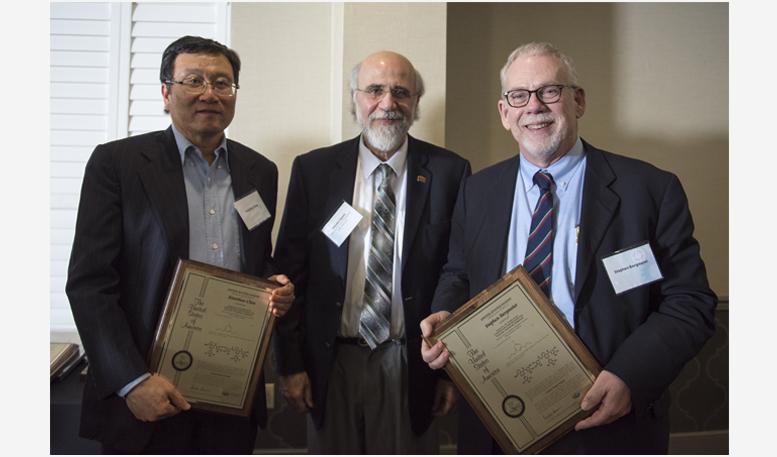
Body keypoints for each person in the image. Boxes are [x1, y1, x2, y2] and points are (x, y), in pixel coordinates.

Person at [420, 42, 716, 454]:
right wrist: (446, 314)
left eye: (550, 91)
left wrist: (630, 376)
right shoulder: (477, 191)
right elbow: (458, 273)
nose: (534, 106)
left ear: (578, 101)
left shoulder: (648, 189)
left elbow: (689, 302)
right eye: (519, 96)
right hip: (498, 420)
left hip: (608, 420)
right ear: (505, 113)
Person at [66, 35, 295, 454]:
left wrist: (275, 285)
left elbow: (257, 262)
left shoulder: (260, 170)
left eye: (222, 83)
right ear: (166, 93)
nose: (210, 93)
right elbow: (89, 283)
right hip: (145, 394)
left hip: (230, 392)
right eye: (194, 80)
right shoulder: (118, 164)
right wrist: (131, 381)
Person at [272, 51, 471, 453]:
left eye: (401, 92)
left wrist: (450, 373)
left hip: (411, 360)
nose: (387, 103)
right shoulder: (314, 171)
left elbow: (459, 272)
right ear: (354, 99)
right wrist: (290, 366)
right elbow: (291, 275)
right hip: (330, 362)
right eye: (375, 90)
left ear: (416, 103)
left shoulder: (451, 172)